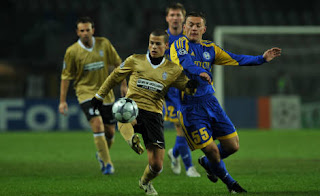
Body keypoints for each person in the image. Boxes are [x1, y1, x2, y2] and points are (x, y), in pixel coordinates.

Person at [170, 12, 281, 193]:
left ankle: (207, 163)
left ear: (204, 30)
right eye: (190, 24)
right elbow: (186, 63)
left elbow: (235, 58)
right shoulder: (179, 45)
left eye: (198, 25)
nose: (194, 28)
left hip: (211, 103)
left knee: (232, 146)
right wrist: (200, 71)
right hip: (190, 108)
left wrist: (261, 59)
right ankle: (231, 184)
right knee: (213, 151)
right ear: (184, 28)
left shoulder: (210, 48)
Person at [91, 30, 197, 195]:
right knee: (123, 112)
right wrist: (99, 96)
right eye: (151, 43)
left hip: (154, 115)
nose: (153, 46)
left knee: (157, 165)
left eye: (158, 44)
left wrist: (195, 83)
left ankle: (145, 182)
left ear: (166, 46)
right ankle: (130, 138)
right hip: (132, 106)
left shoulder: (173, 69)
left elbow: (188, 88)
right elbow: (114, 77)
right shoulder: (135, 60)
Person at [58, 16, 127, 175]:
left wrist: (124, 84)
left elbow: (119, 64)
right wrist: (62, 101)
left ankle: (101, 154)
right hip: (86, 93)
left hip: (106, 93)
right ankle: (108, 164)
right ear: (77, 32)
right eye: (82, 31)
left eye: (88, 30)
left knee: (110, 132)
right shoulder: (72, 52)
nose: (85, 33)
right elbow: (66, 76)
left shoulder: (104, 44)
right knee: (97, 125)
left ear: (93, 30)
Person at [163, 3, 201, 177]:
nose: (175, 18)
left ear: (183, 20)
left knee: (188, 127)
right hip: (171, 92)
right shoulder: (162, 39)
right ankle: (190, 167)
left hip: (188, 89)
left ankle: (174, 153)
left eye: (178, 15)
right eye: (172, 15)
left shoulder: (190, 40)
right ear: (167, 18)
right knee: (182, 126)